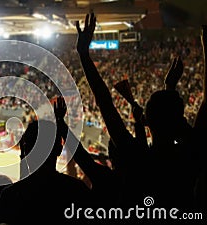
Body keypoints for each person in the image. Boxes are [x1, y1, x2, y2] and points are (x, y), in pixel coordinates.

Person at [76, 13, 206, 210]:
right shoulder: (191, 155)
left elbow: (105, 102)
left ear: (147, 121)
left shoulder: (137, 158)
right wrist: (170, 88)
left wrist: (83, 54)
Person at [0, 109, 92, 224]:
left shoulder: (10, 196)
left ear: (25, 150)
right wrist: (61, 124)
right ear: (59, 149)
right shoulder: (77, 190)